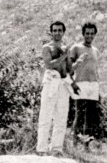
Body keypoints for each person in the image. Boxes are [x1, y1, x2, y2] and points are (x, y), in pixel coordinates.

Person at [36, 20, 74, 154]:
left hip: (63, 83)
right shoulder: (47, 47)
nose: (57, 33)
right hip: (51, 81)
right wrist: (63, 56)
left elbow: (69, 69)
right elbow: (49, 65)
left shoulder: (66, 48)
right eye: (55, 30)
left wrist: (69, 58)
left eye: (60, 30)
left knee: (61, 117)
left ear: (63, 32)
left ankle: (57, 148)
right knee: (45, 116)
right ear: (51, 32)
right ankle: (41, 148)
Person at [68, 22, 101, 147]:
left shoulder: (96, 50)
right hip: (80, 83)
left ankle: (86, 144)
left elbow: (95, 69)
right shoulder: (76, 48)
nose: (89, 36)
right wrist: (72, 82)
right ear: (83, 34)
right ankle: (75, 143)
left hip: (93, 84)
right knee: (80, 113)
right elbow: (69, 68)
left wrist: (98, 84)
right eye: (87, 33)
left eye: (92, 34)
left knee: (90, 115)